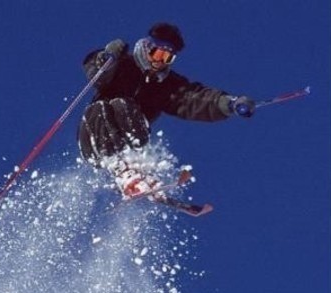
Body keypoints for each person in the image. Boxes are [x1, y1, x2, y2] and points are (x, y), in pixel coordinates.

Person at [77, 22, 255, 200]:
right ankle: (120, 169)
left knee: (126, 107)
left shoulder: (166, 85)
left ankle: (136, 171)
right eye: (158, 53)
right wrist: (107, 58)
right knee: (108, 106)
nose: (160, 61)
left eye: (168, 58)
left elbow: (195, 98)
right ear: (147, 47)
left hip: (132, 139)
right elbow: (96, 75)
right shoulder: (123, 64)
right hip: (94, 137)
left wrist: (229, 103)